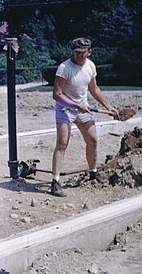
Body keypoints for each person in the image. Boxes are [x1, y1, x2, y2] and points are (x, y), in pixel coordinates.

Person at [50, 37, 118, 197]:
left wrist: (108, 106)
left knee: (92, 140)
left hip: (83, 108)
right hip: (65, 109)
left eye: (82, 53)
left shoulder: (90, 66)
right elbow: (57, 94)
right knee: (62, 143)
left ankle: (93, 173)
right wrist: (76, 106)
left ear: (89, 52)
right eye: (76, 52)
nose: (79, 55)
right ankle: (55, 182)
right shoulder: (64, 68)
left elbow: (94, 89)